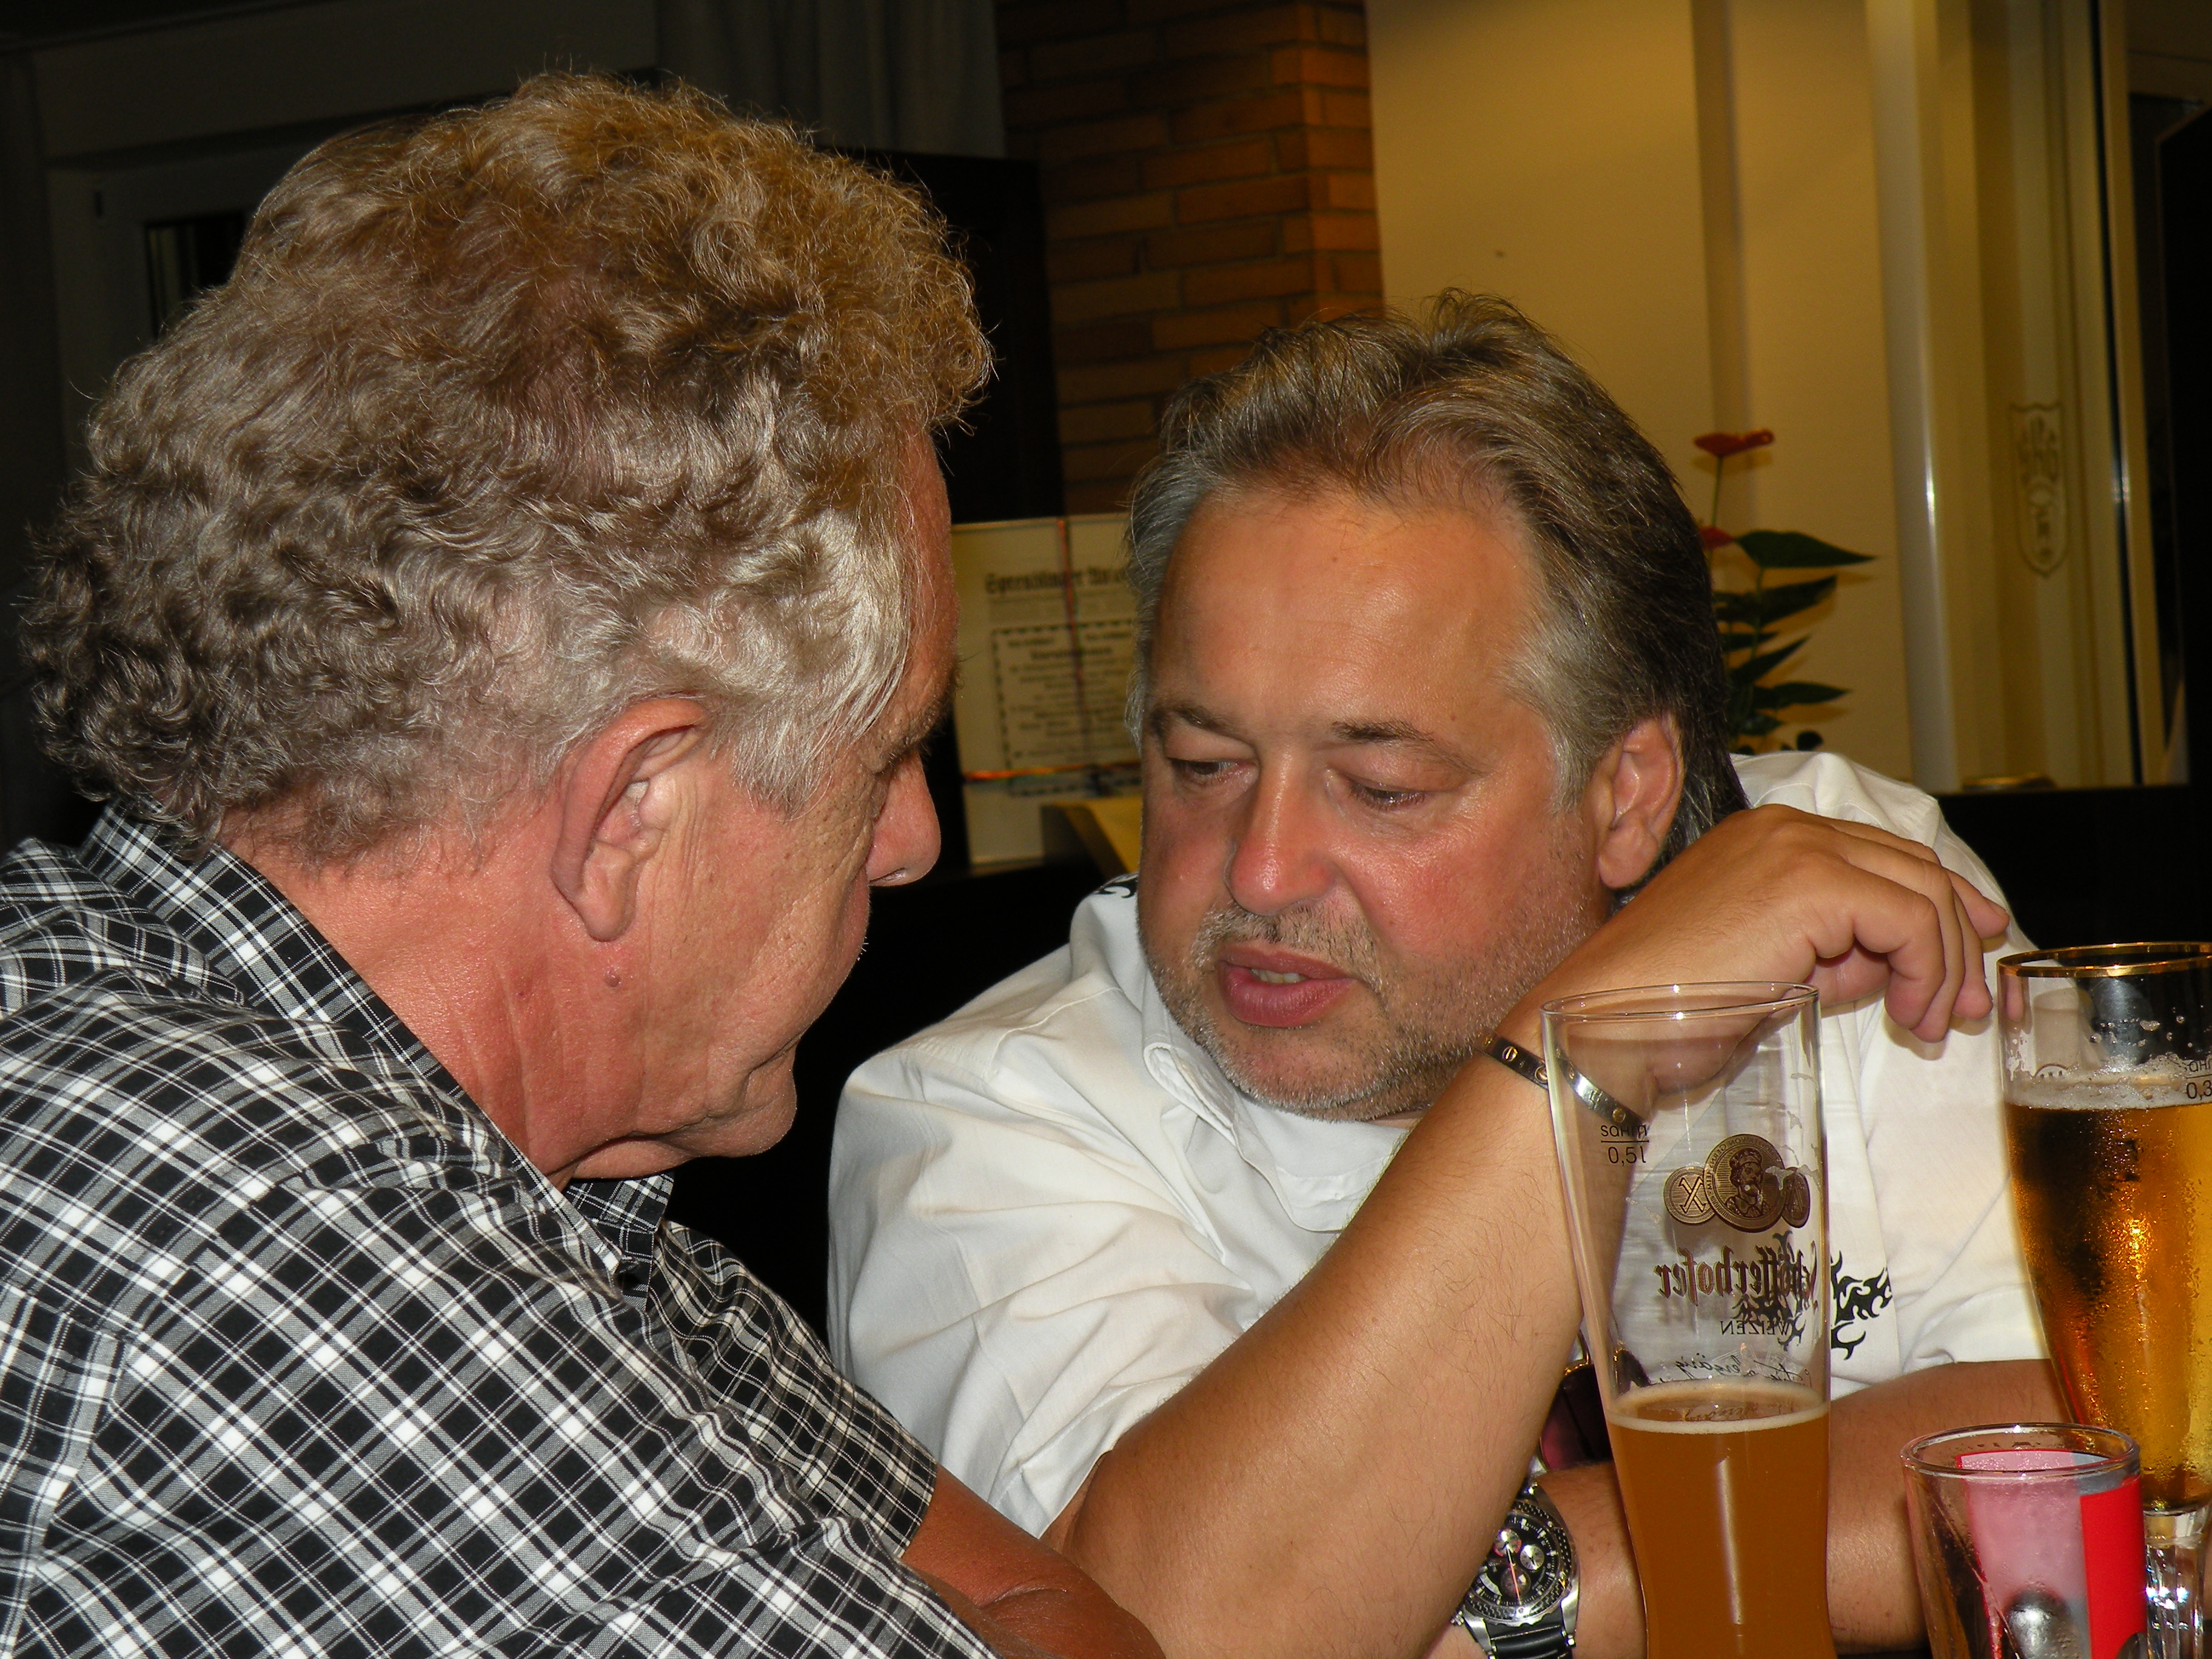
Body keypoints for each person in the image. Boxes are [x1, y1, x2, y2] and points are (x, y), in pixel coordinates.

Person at [1, 75, 1159, 1659]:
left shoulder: (522, 1176)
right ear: (632, 811)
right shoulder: (282, 1251)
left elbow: (1047, 1605)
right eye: (885, 758)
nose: (914, 844)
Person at [828, 297, 2063, 1659]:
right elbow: (1177, 1632)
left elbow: (2112, 1437)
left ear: (1628, 796)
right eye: (1201, 765)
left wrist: (1425, 1592)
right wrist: (1581, 1050)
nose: (1260, 871)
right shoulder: (977, 1126)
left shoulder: (1829, 891)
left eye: (1381, 787)